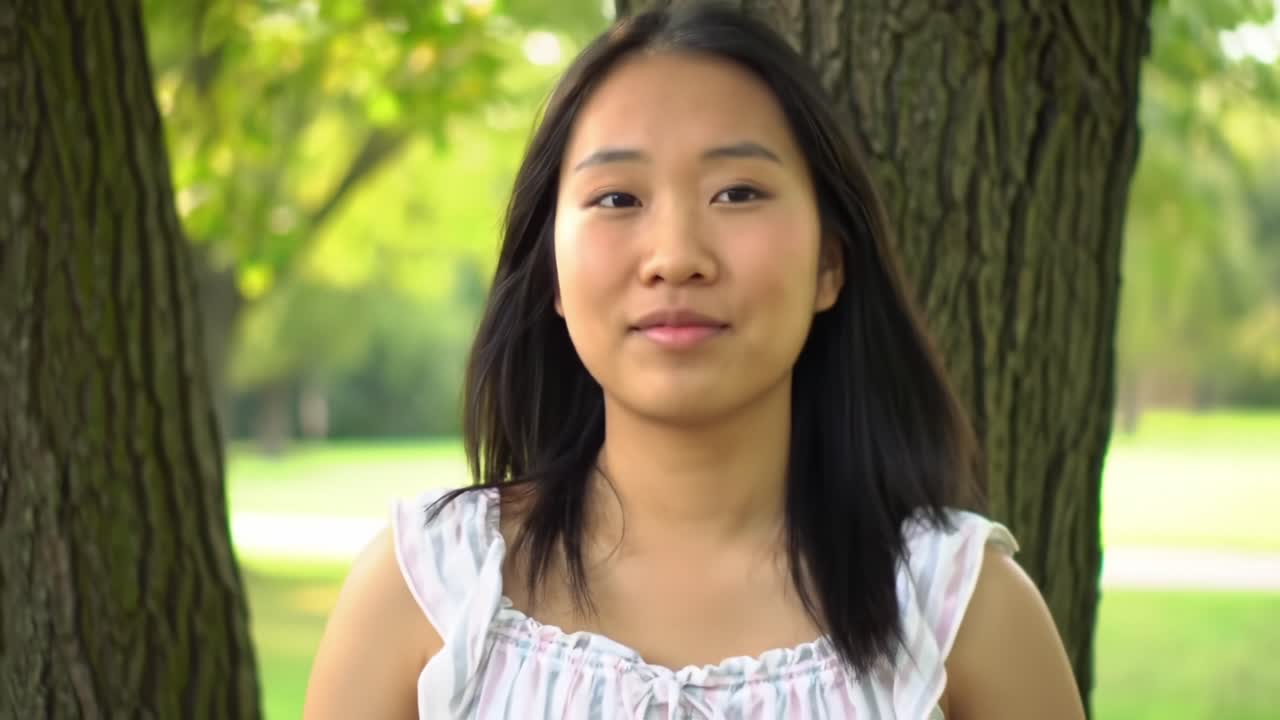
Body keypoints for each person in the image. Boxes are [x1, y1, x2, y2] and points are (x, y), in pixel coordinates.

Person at [303, 3, 1085, 718]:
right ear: (551, 276)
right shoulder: (428, 595)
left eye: (738, 192)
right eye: (617, 199)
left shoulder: (963, 615)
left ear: (829, 265)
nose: (675, 258)